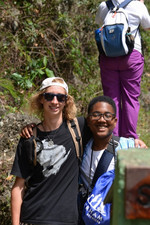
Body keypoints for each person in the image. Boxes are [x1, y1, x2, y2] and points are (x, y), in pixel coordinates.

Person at [11, 77, 90, 225]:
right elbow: (18, 186)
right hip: (33, 218)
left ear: (66, 101)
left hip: (68, 220)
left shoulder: (79, 128)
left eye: (61, 97)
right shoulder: (29, 137)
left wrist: (133, 141)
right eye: (49, 96)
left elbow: (105, 129)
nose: (55, 101)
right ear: (41, 99)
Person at [78, 95, 140, 225]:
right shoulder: (81, 148)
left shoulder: (128, 147)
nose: (102, 120)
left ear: (115, 121)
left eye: (107, 115)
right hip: (89, 217)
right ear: (88, 121)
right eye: (96, 115)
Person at [95, 0, 150, 139]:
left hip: (108, 57)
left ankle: (112, 138)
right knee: (130, 98)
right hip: (131, 56)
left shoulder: (104, 6)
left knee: (111, 98)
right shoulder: (137, 5)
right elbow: (147, 26)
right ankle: (129, 138)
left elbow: (101, 25)